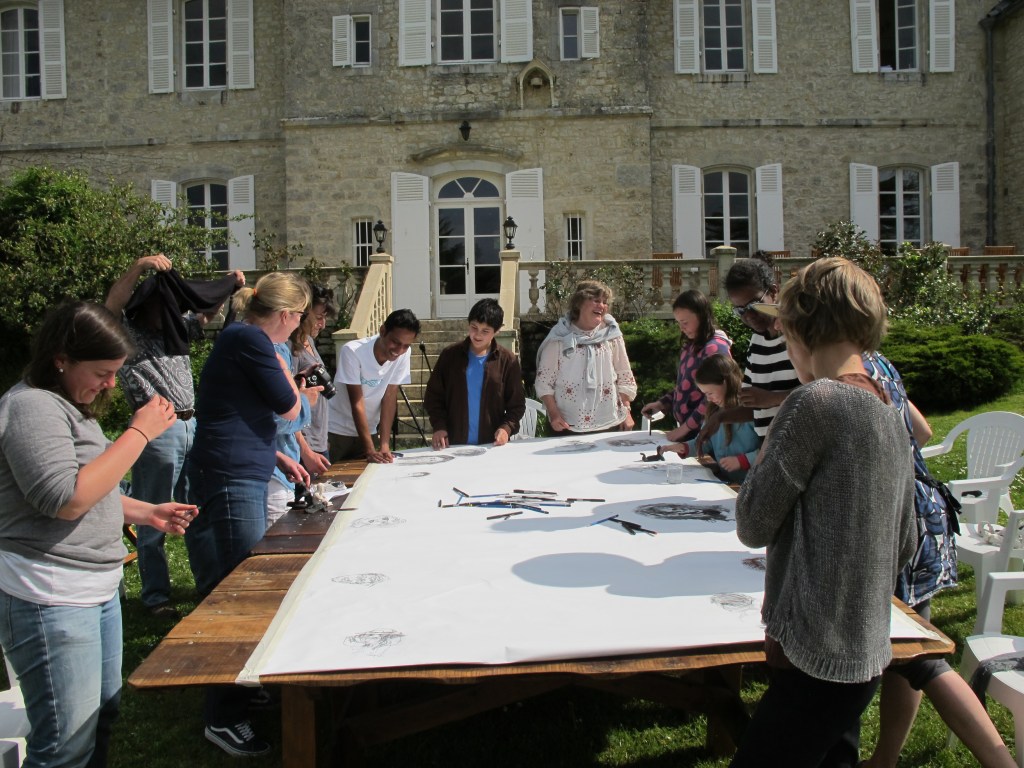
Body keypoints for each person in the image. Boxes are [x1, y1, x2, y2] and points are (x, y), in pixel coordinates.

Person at [731, 259, 917, 767]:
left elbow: (752, 524)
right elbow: (906, 542)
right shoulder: (887, 410)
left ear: (800, 329)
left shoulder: (813, 403)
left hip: (810, 653)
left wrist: (766, 459)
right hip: (863, 650)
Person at [0, 302, 195, 768]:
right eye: (103, 372)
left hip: (92, 592)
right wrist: (140, 433)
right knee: (64, 746)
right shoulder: (31, 407)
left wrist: (146, 512)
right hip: (50, 595)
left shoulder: (70, 405)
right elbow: (66, 498)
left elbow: (94, 485)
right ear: (61, 358)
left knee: (99, 722)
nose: (111, 384)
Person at [856, 355, 1014, 767]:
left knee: (917, 655)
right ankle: (885, 759)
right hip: (922, 511)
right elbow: (922, 431)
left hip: (896, 520)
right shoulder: (878, 364)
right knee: (913, 652)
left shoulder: (846, 375)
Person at [185, 272, 311, 757]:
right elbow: (287, 408)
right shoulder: (253, 340)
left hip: (242, 464)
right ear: (285, 315)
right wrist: (297, 390)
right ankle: (223, 715)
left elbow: (237, 408)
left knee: (238, 581)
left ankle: (241, 686)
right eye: (298, 318)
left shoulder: (243, 338)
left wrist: (276, 454)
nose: (298, 328)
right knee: (238, 589)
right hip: (231, 472)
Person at [104, 253, 242, 618]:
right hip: (156, 431)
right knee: (151, 516)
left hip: (190, 426)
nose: (170, 309)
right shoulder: (128, 333)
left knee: (194, 510)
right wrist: (138, 266)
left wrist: (228, 287)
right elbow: (111, 305)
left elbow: (204, 314)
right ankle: (156, 599)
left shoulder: (174, 328)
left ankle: (208, 586)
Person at [699, 254, 800, 450]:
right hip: (769, 447)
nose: (749, 315)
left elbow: (821, 390)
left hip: (798, 446)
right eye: (740, 310)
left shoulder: (797, 337)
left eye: (754, 305)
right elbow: (754, 404)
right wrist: (720, 417)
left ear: (773, 291)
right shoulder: (757, 340)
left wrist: (771, 399)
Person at [535, 280, 637, 434]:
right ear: (579, 303)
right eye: (596, 300)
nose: (601, 306)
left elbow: (624, 375)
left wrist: (627, 412)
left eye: (604, 302)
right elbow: (544, 383)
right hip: (566, 425)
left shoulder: (612, 334)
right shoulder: (560, 337)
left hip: (610, 422)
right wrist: (554, 415)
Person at [424, 299, 526, 449]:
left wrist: (506, 428)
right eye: (474, 328)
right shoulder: (449, 356)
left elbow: (516, 405)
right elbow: (433, 397)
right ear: (468, 324)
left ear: (497, 331)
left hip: (491, 446)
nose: (477, 335)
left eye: (485, 331)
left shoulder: (507, 361)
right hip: (453, 445)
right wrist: (439, 426)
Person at [327, 309, 420, 463]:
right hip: (337, 431)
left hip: (368, 431)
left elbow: (390, 397)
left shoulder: (404, 353)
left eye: (405, 345)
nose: (399, 350)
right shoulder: (352, 351)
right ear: (383, 331)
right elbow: (357, 402)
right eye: (395, 342)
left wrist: (384, 444)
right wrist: (369, 449)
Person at [641, 289, 731, 442]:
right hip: (689, 432)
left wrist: (684, 429)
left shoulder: (714, 348)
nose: (681, 328)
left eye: (685, 322)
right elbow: (685, 386)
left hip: (708, 434)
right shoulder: (690, 346)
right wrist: (662, 404)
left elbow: (713, 396)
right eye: (678, 323)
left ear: (702, 317)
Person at [658, 354, 758, 484]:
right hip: (728, 482)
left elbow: (770, 448)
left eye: (710, 393)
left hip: (754, 485)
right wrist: (683, 447)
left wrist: (742, 461)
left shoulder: (750, 409)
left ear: (725, 383)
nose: (708, 399)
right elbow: (706, 442)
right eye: (705, 394)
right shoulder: (714, 411)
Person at [292, 283, 338, 473]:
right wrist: (305, 451)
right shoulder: (290, 348)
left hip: (318, 441)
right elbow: (288, 403)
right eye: (318, 317)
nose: (323, 324)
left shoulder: (309, 341)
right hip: (304, 446)